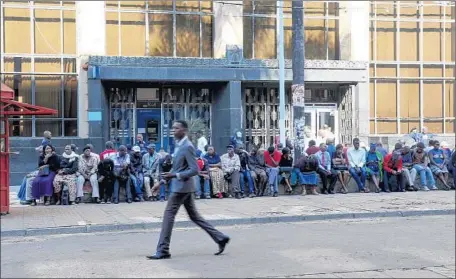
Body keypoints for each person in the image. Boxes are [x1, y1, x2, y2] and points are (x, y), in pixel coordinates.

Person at [146, 120, 230, 260]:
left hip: (182, 188)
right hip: (185, 187)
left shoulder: (188, 146)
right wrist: (161, 182)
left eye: (176, 128)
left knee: (168, 216)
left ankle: (163, 249)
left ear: (184, 130)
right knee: (195, 216)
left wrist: (175, 175)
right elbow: (176, 168)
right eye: (173, 128)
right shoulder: (179, 145)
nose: (173, 130)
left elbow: (194, 170)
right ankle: (220, 238)